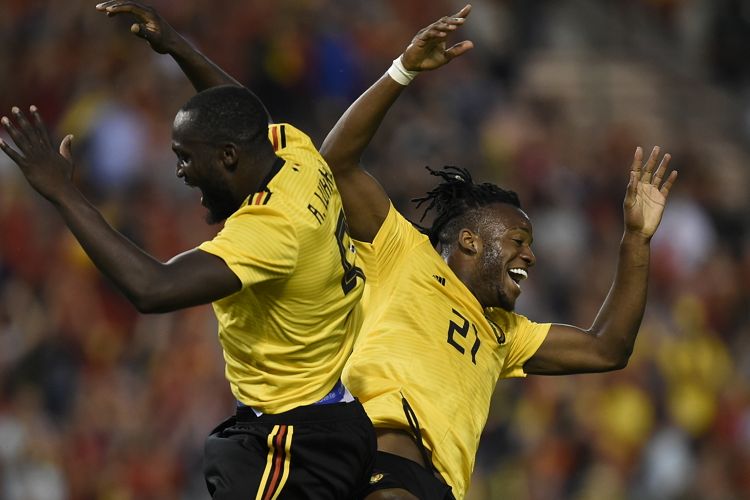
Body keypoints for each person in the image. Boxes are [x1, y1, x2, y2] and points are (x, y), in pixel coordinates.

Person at [93, 2, 678, 498]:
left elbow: (608, 348)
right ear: (471, 240)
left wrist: (636, 240)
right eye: (519, 241)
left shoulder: (505, 334)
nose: (530, 256)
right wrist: (401, 71)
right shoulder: (405, 253)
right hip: (375, 458)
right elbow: (336, 160)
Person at [0, 35, 375, 500]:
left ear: (229, 157)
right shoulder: (296, 153)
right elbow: (244, 112)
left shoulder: (273, 230)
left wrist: (62, 192)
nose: (179, 171)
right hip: (317, 416)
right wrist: (178, 48)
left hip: (298, 440)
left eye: (185, 156)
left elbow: (152, 288)